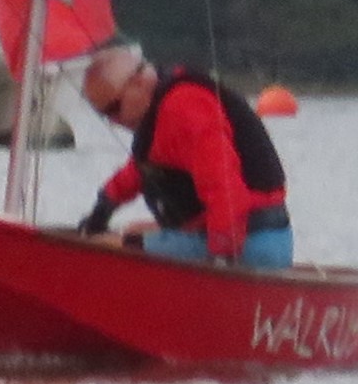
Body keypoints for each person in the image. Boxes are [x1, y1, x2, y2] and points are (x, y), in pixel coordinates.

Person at [75, 43, 291, 267]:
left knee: (110, 246)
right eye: (104, 115)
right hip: (251, 237)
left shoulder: (185, 108)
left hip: (254, 242)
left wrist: (221, 259)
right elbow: (141, 170)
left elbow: (224, 189)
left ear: (138, 83)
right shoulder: (161, 111)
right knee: (131, 230)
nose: (113, 121)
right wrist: (102, 209)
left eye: (113, 108)